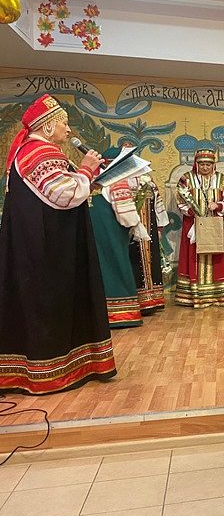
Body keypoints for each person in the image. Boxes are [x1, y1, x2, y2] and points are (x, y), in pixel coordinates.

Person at [0, 94, 116, 393]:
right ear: (48, 126)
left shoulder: (29, 151)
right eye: (64, 123)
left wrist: (88, 178)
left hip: (37, 245)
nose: (68, 129)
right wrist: (86, 169)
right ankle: (51, 372)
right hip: (48, 250)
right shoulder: (41, 152)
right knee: (50, 306)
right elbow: (64, 195)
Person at [88, 146, 147, 328]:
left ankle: (98, 314)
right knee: (117, 266)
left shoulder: (88, 180)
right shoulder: (116, 180)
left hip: (91, 233)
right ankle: (121, 312)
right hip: (111, 233)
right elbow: (126, 215)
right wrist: (135, 225)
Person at [175, 148, 224, 308]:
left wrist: (218, 205)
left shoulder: (223, 180)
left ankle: (219, 294)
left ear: (213, 164)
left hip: (216, 224)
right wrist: (191, 211)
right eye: (202, 164)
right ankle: (195, 295)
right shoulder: (186, 179)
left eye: (208, 164)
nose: (205, 167)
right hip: (193, 225)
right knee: (193, 255)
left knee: (217, 256)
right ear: (196, 164)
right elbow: (180, 200)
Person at [128, 170, 170, 313]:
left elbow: (158, 205)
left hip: (149, 227)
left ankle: (152, 298)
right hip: (128, 228)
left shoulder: (149, 183)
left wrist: (159, 227)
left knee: (151, 259)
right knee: (134, 259)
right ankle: (135, 299)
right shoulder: (120, 182)